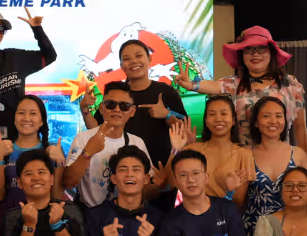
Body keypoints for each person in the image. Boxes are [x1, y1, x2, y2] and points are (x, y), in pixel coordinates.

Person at [180, 24, 306, 150]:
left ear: (271, 53)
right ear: (242, 56)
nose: (255, 54)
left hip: (281, 158)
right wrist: (191, 85)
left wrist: (305, 159)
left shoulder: (290, 84)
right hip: (243, 159)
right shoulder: (234, 84)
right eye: (248, 49)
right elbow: (214, 86)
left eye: (261, 48)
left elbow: (300, 127)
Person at [241, 94, 307, 236]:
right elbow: (236, 200)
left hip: (290, 233)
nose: (273, 121)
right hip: (254, 232)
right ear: (256, 123)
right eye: (266, 116)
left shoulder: (297, 154)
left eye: (279, 116)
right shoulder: (245, 154)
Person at [65, 81, 152, 208]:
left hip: (124, 215)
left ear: (132, 111)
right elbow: (68, 182)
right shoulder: (83, 138)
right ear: (101, 108)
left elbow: (145, 187)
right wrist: (88, 152)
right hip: (89, 213)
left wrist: (163, 185)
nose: (117, 110)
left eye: (124, 106)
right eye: (111, 104)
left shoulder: (137, 143)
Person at [0, 7, 56, 137]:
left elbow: (49, 56)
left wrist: (37, 29)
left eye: (2, 28)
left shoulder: (13, 57)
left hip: (20, 139)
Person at [112, 38, 190, 169]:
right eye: (127, 58)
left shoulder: (167, 92)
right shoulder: (116, 94)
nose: (134, 61)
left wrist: (167, 114)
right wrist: (85, 111)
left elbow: (185, 129)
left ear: (149, 59)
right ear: (121, 66)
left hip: (163, 169)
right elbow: (97, 127)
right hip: (124, 171)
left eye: (138, 56)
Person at [0, 94, 66, 219]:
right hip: (10, 222)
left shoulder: (53, 150)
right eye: (21, 113)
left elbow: (56, 197)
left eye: (33, 113)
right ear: (14, 119)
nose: (26, 118)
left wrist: (60, 163)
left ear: (42, 121)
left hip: (45, 221)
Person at [187, 94, 255, 210]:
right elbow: (174, 186)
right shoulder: (193, 150)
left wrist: (230, 192)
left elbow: (238, 204)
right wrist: (176, 149)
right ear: (206, 121)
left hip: (226, 219)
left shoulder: (244, 155)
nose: (218, 119)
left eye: (223, 114)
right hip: (192, 216)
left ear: (233, 120)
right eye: (212, 114)